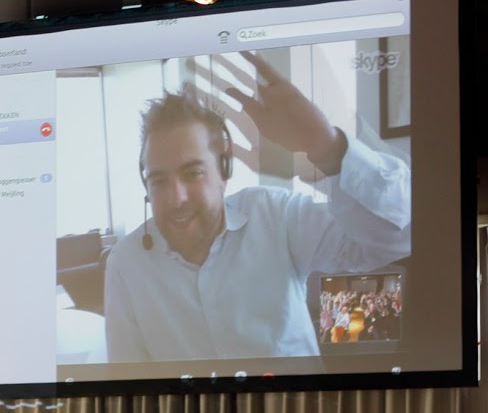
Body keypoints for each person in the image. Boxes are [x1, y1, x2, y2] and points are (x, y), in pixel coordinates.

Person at [104, 51, 411, 363]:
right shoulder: (127, 263)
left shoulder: (275, 215)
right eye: (158, 180)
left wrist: (328, 148)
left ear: (224, 171)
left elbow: (396, 239)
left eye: (193, 173)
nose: (176, 198)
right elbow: (126, 375)